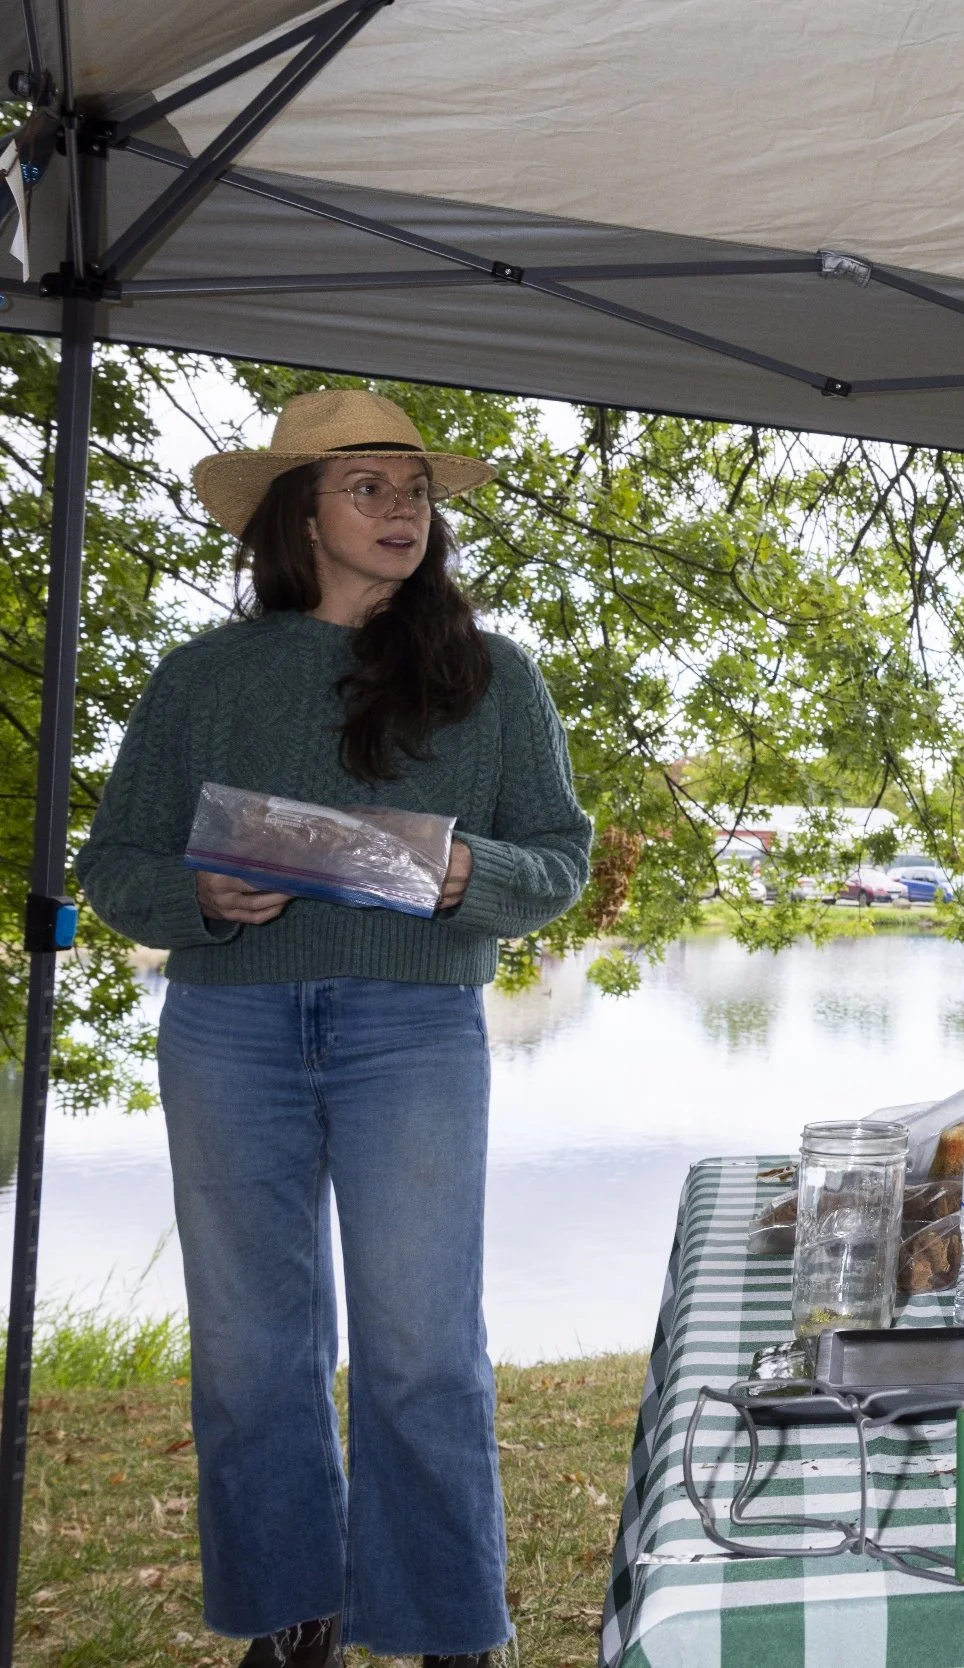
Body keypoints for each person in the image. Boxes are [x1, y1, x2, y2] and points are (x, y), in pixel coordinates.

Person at [75, 389, 593, 1668]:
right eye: (369, 486)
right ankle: (289, 1611)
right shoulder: (203, 677)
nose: (403, 509)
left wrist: (478, 875)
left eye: (413, 489)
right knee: (252, 1350)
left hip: (411, 1028)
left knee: (421, 1348)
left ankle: (447, 1625)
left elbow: (561, 859)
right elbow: (113, 863)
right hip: (227, 1031)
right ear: (298, 514)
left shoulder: (493, 675)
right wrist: (191, 896)